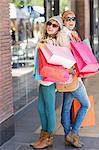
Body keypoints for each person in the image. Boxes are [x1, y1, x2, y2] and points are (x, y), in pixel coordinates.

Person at [56, 10, 90, 148]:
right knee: (85, 104)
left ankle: (67, 137)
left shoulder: (72, 34)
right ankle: (73, 133)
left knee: (66, 107)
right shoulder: (63, 35)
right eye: (68, 18)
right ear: (63, 21)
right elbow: (65, 56)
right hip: (70, 75)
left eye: (73, 19)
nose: (71, 21)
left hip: (72, 76)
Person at [30, 16, 63, 149]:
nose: (50, 26)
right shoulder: (44, 39)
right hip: (43, 79)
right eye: (49, 23)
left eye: (54, 26)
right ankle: (43, 136)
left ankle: (48, 138)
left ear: (58, 29)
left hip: (49, 81)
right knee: (40, 108)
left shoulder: (54, 42)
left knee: (49, 109)